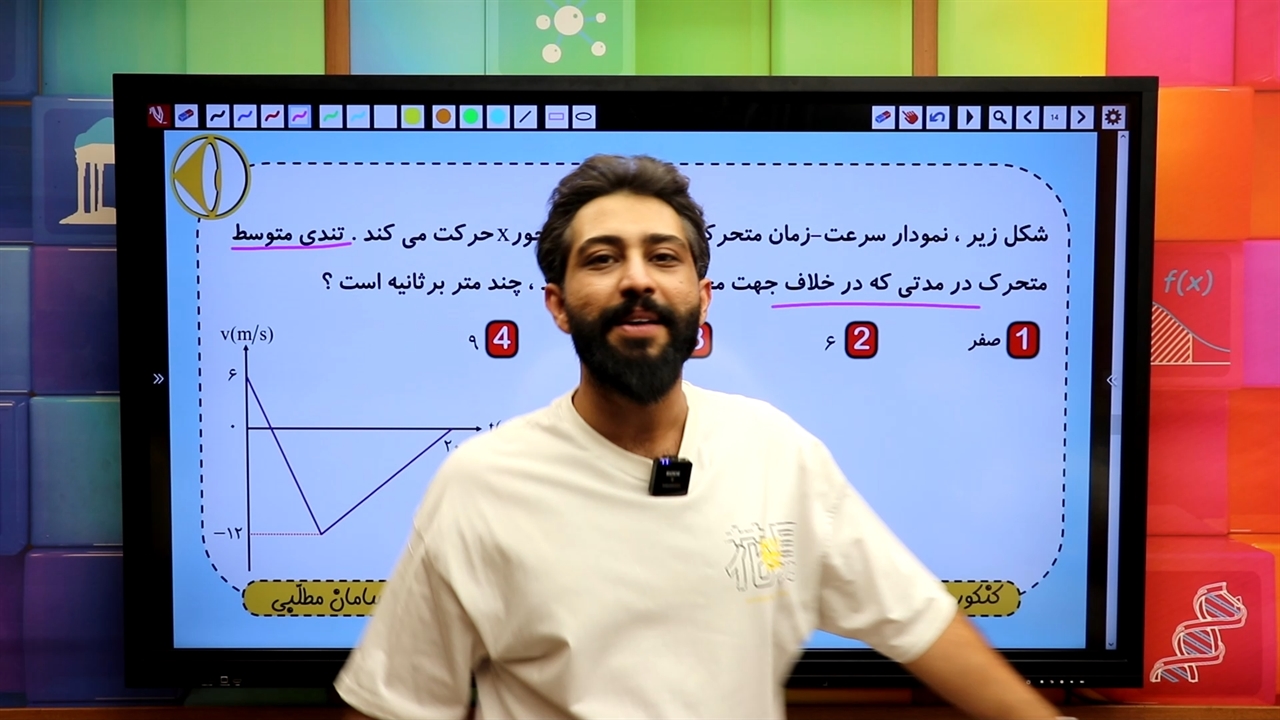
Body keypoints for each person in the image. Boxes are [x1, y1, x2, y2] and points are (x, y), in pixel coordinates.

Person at [335, 155, 1067, 720]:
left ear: (701, 297)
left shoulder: (777, 451)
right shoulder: (481, 483)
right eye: (602, 259)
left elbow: (920, 622)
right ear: (558, 306)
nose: (637, 280)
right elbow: (395, 703)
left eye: (663, 257)